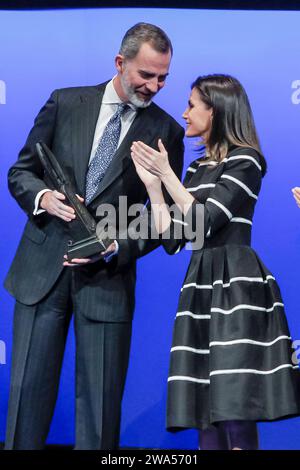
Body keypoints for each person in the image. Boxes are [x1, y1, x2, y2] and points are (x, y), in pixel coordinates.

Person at [4, 22, 184, 450]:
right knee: (25, 404)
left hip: (107, 281)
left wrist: (117, 246)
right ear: (120, 63)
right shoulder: (65, 102)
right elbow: (20, 172)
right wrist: (44, 196)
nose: (154, 86)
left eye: (163, 78)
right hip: (41, 272)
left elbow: (164, 222)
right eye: (146, 75)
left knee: (99, 418)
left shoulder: (167, 133)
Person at [131, 74, 300, 450]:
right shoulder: (195, 170)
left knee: (234, 407)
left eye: (192, 105)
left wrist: (168, 176)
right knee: (203, 411)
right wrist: (155, 187)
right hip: (199, 288)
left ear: (217, 110)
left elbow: (207, 220)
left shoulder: (248, 160)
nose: (184, 113)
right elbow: (174, 239)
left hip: (237, 287)